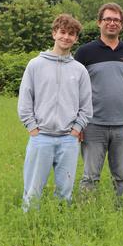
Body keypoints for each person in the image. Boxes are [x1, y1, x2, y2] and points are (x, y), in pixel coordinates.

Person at [17, 14, 92, 211]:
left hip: (68, 139)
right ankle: (30, 228)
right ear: (54, 34)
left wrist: (76, 130)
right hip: (41, 137)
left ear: (76, 39)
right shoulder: (35, 65)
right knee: (33, 190)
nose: (66, 37)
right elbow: (25, 100)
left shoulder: (80, 70)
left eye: (71, 34)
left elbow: (86, 106)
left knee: (65, 192)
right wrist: (32, 127)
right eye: (63, 32)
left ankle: (61, 226)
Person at [75, 3, 123, 198]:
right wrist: (77, 124)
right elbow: (75, 89)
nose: (112, 23)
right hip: (92, 124)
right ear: (99, 23)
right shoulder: (85, 52)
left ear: (122, 25)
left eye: (116, 20)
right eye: (108, 19)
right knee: (90, 177)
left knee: (122, 176)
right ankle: (86, 213)